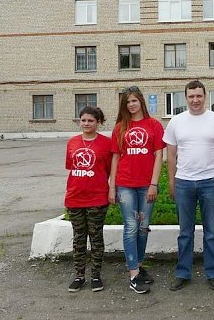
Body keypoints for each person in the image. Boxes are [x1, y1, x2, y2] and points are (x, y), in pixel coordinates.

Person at [163, 80, 214, 291]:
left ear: (206, 96)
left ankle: (213, 272)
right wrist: (172, 183)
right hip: (184, 183)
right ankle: (183, 273)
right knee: (185, 232)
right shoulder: (176, 121)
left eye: (199, 96)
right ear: (186, 98)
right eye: (191, 96)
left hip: (210, 183)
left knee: (211, 231)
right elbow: (171, 155)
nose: (195, 100)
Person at [108, 86, 165, 294]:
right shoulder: (119, 128)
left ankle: (139, 266)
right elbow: (115, 158)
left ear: (141, 101)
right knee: (131, 227)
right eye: (127, 102)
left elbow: (159, 155)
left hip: (146, 185)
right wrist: (112, 186)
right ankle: (133, 274)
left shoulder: (154, 125)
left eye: (134, 100)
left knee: (143, 227)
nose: (131, 105)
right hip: (125, 185)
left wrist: (154, 183)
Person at [65, 106, 112, 293]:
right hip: (74, 197)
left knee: (96, 237)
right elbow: (71, 167)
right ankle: (79, 275)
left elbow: (108, 170)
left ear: (98, 122)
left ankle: (95, 276)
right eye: (83, 120)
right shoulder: (72, 142)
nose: (86, 124)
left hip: (97, 198)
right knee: (78, 238)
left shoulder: (106, 144)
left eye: (90, 120)